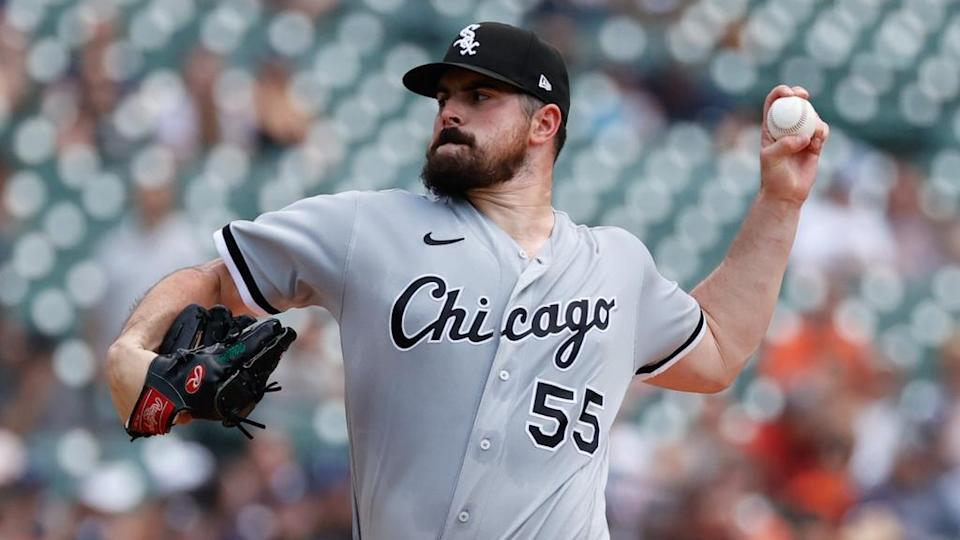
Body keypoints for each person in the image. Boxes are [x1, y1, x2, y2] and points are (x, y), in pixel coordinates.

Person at [106, 22, 829, 538]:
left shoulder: (617, 264)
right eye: (446, 95)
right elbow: (213, 278)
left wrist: (781, 200)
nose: (450, 109)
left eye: (481, 96)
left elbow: (722, 348)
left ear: (545, 123)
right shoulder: (366, 227)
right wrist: (129, 351)